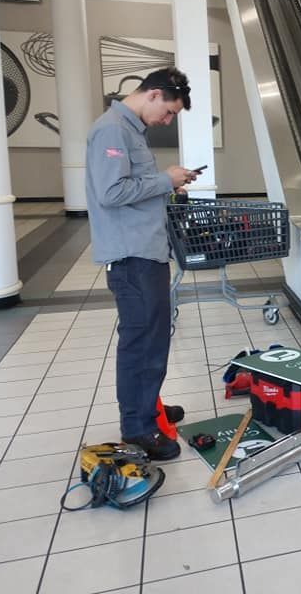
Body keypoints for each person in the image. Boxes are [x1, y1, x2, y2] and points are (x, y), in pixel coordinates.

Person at [85, 67, 200, 460]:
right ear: (152, 94)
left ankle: (147, 404)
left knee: (154, 337)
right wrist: (164, 180)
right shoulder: (113, 130)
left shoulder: (131, 130)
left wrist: (166, 185)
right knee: (141, 342)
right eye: (168, 111)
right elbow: (111, 192)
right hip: (131, 256)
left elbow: (132, 187)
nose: (167, 120)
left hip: (146, 249)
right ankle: (138, 427)